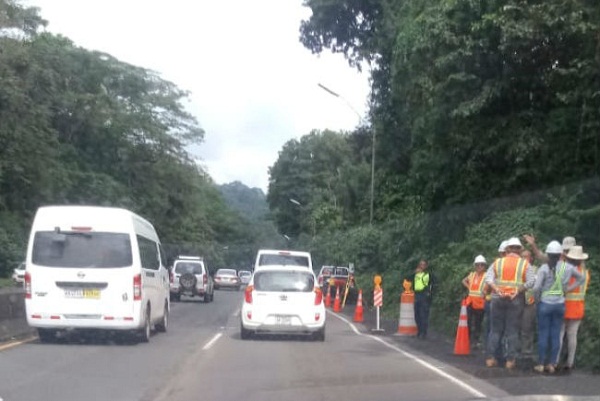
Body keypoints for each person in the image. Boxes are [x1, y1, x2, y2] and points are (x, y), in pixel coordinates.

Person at [532, 241, 585, 374]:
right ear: (561, 254)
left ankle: (541, 363)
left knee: (543, 333)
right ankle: (552, 364)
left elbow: (537, 287)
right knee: (556, 334)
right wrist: (568, 289)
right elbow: (581, 279)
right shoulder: (568, 267)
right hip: (560, 304)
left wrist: (538, 300)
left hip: (545, 303)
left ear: (548, 254)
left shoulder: (544, 268)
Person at [485, 237, 535, 369]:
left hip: (497, 298)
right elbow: (531, 281)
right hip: (515, 299)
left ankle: (490, 358)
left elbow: (488, 278)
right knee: (512, 331)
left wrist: (497, 289)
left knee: (495, 330)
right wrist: (517, 290)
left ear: (507, 249)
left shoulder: (498, 262)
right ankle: (510, 361)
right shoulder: (525, 264)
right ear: (519, 249)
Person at [558, 245, 590, 373]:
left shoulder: (566, 270)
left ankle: (555, 361)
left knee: (560, 335)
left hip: (564, 305)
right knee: (573, 336)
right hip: (578, 308)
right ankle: (570, 362)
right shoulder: (585, 273)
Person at [462, 255, 487, 348]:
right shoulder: (472, 274)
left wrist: (485, 293)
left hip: (480, 303)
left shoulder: (486, 275)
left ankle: (475, 341)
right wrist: (469, 287)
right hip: (470, 301)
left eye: (481, 265)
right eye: (477, 265)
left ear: (484, 266)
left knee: (478, 323)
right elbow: (464, 281)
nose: (479, 267)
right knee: (467, 321)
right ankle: (467, 339)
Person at [406, 260, 434, 339]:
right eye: (420, 264)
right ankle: (419, 331)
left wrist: (429, 293)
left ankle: (423, 333)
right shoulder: (416, 274)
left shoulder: (428, 274)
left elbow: (434, 283)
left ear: (426, 266)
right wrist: (414, 272)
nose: (422, 266)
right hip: (417, 295)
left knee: (423, 315)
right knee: (417, 315)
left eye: (423, 265)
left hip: (424, 295)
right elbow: (407, 278)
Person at [520, 249, 538, 359]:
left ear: (531, 258)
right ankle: (516, 349)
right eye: (523, 257)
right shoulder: (518, 270)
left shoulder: (536, 270)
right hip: (516, 301)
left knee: (527, 327)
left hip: (530, 303)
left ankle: (527, 351)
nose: (525, 259)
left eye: (527, 256)